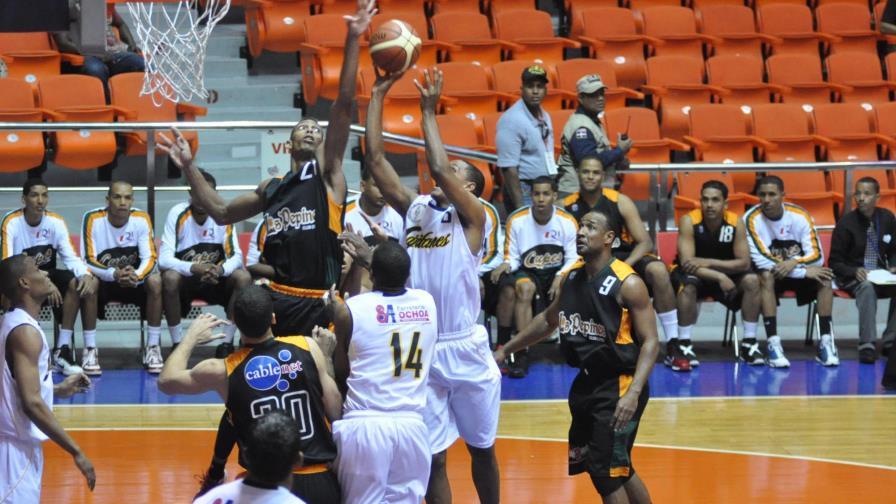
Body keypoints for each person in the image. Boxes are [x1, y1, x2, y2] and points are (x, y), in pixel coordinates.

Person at [158, 0, 375, 492]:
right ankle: (221, 468)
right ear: (289, 140)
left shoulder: (330, 177)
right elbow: (216, 209)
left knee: (330, 391)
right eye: (303, 126)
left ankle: (332, 474)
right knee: (244, 382)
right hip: (277, 303)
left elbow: (343, 106)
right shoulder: (273, 189)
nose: (312, 127)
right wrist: (188, 165)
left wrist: (354, 38)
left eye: (317, 128)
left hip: (317, 303)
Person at [363, 68, 501, 504]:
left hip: (465, 346)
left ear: (470, 188)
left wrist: (427, 110)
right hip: (423, 345)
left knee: (482, 450)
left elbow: (439, 166)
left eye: (456, 172)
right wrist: (378, 94)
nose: (442, 174)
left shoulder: (476, 217)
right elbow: (376, 161)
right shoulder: (416, 208)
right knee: (434, 458)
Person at [494, 209, 658, 504]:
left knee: (604, 473)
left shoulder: (628, 283)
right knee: (618, 467)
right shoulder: (572, 278)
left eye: (590, 227)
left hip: (620, 384)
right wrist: (507, 349)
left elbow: (650, 343)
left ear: (609, 238)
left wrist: (633, 393)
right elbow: (547, 320)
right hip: (585, 383)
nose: (581, 232)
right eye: (580, 226)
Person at [158, 286, 343, 504]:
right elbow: (336, 411)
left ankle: (216, 472)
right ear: (273, 318)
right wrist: (327, 359)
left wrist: (190, 338)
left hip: (263, 488)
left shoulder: (222, 370)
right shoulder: (307, 346)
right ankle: (215, 471)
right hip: (319, 481)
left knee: (233, 411)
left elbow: (166, 381)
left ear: (234, 322)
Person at [329, 241, 438, 504]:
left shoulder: (351, 309)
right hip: (412, 426)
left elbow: (340, 371)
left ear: (372, 274)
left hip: (366, 424)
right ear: (407, 275)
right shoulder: (427, 302)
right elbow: (395, 275)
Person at [563, 156, 689, 371]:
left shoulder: (619, 200)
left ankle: (674, 343)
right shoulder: (566, 205)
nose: (590, 176)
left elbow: (645, 242)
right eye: (586, 172)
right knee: (564, 280)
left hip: (625, 257)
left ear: (603, 176)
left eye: (595, 172)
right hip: (588, 261)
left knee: (659, 270)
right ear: (578, 173)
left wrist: (624, 267)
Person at [0, 255, 96, 502]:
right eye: (37, 269)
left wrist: (57, 389)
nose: (45, 273)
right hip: (13, 454)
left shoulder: (15, 323)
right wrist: (77, 451)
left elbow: (14, 388)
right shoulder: (25, 333)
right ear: (24, 283)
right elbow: (31, 403)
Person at [1, 179, 100, 376]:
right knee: (8, 286)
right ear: (24, 199)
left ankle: (62, 351)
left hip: (47, 276)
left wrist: (86, 275)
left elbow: (70, 256)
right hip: (20, 278)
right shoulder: (11, 221)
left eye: (44, 195)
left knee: (76, 282)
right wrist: (43, 282)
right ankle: (10, 348)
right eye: (34, 195)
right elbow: (8, 264)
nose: (40, 200)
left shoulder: (55, 221)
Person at [744, 175, 839, 368]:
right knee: (765, 276)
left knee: (825, 277)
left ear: (783, 196)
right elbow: (761, 260)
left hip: (796, 268)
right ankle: (773, 343)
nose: (766, 199)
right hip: (775, 274)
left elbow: (817, 256)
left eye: (772, 194)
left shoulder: (800, 216)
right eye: (762, 195)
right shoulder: (750, 219)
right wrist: (801, 272)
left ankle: (826, 343)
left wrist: (793, 262)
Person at [490, 176, 578, 378]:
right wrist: (505, 264)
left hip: (556, 271)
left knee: (570, 284)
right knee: (524, 288)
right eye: (536, 194)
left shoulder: (567, 221)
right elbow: (512, 257)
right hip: (529, 272)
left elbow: (573, 257)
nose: (540, 198)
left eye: (546, 194)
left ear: (554, 196)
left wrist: (559, 277)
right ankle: (521, 352)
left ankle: (571, 343)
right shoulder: (516, 219)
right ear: (531, 196)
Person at [159, 169, 252, 358]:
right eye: (198, 192)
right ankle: (177, 343)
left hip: (215, 280)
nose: (202, 198)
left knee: (243, 276)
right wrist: (194, 268)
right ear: (190, 193)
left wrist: (221, 269)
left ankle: (227, 343)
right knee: (169, 277)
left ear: (214, 194)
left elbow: (236, 256)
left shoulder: (224, 215)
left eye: (207, 193)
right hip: (187, 281)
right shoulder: (177, 213)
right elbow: (164, 259)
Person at [671, 180, 762, 365]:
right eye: (705, 200)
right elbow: (688, 263)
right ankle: (684, 343)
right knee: (687, 286)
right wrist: (720, 276)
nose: (709, 204)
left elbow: (744, 263)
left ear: (725, 204)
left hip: (726, 274)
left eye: (715, 200)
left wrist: (709, 263)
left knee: (752, 281)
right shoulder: (689, 221)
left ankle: (749, 343)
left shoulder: (736, 222)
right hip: (698, 275)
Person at [81, 180, 164, 372]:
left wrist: (137, 275)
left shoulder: (142, 218)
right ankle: (90, 349)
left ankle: (152, 347)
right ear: (108, 199)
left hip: (133, 282)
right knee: (88, 282)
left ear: (132, 200)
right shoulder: (92, 218)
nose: (122, 202)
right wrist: (113, 274)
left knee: (155, 280)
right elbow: (88, 259)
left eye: (127, 197)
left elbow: (150, 257)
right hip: (105, 281)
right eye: (117, 197)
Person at [828, 177, 896, 364]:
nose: (861, 198)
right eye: (858, 193)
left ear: (877, 197)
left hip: (881, 275)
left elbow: (894, 249)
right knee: (866, 287)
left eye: (866, 194)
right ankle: (867, 345)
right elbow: (834, 261)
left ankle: (890, 342)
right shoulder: (846, 223)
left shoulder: (887, 218)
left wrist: (893, 264)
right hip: (852, 277)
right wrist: (853, 271)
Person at [194, 410, 306, 504]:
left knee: (234, 409)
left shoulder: (207, 500)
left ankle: (216, 472)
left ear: (245, 455)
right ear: (298, 461)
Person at [557, 74, 632, 196]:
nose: (600, 98)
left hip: (588, 193)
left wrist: (618, 159)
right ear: (581, 98)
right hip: (576, 194)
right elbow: (588, 162)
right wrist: (619, 151)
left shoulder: (592, 121)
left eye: (602, 93)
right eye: (594, 95)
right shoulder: (581, 126)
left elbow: (598, 156)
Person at [496, 65, 556, 210]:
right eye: (530, 86)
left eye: (539, 86)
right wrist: (519, 206)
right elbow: (508, 168)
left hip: (543, 186)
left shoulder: (544, 115)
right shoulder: (512, 120)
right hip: (524, 189)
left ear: (546, 90)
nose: (535, 91)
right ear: (522, 89)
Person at [54, 0, 145, 94]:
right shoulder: (61, 7)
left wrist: (132, 45)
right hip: (85, 56)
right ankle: (107, 104)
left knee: (141, 63)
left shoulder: (96, 4)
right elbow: (62, 43)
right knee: (96, 69)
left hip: (112, 54)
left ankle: (138, 103)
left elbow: (120, 24)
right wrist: (92, 52)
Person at [344, 168, 404, 245]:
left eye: (386, 186)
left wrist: (386, 241)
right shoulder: (344, 211)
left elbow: (402, 254)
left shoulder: (397, 215)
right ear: (363, 186)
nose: (383, 191)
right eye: (377, 185)